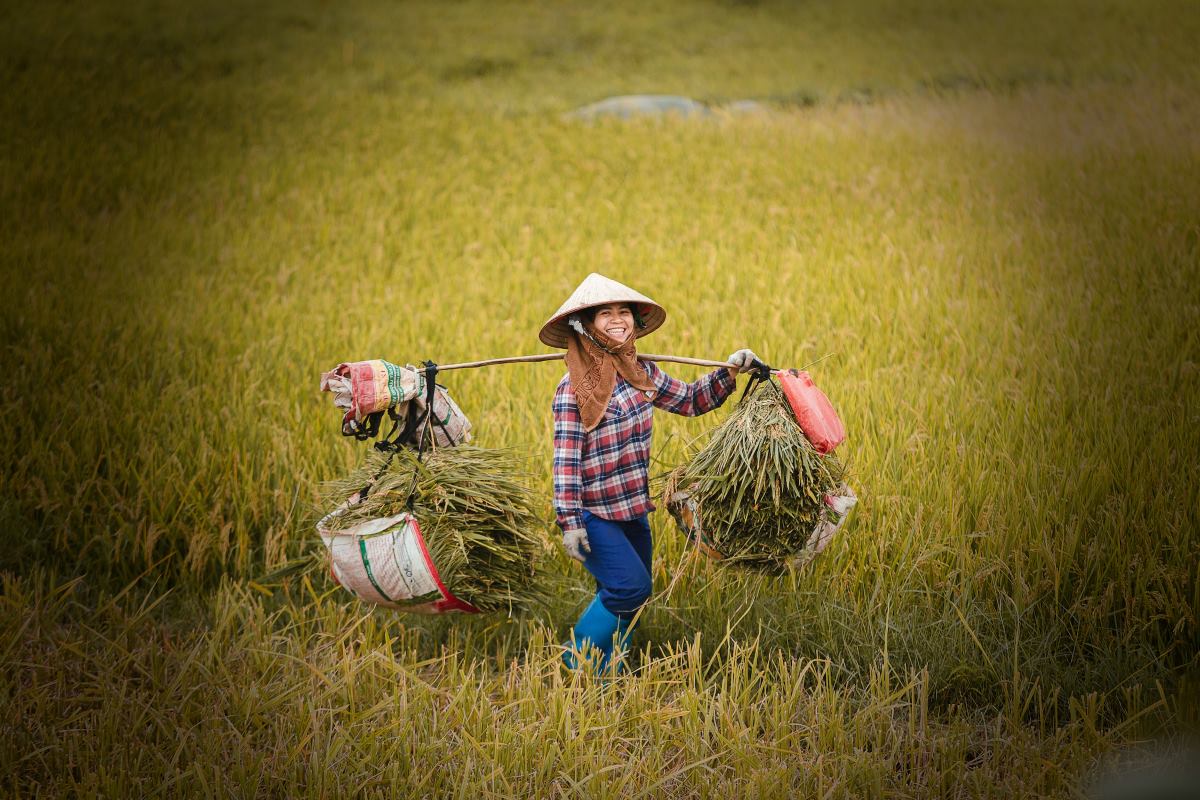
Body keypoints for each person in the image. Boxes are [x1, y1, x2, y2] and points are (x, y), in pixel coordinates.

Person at [539, 273, 759, 674]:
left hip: (633, 510)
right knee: (630, 588)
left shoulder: (643, 373)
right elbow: (565, 462)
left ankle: (609, 672)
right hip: (593, 514)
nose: (617, 319)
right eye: (605, 314)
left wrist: (730, 371)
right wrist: (570, 523)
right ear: (586, 326)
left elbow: (691, 400)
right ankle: (573, 661)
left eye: (624, 311)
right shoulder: (572, 390)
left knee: (630, 596)